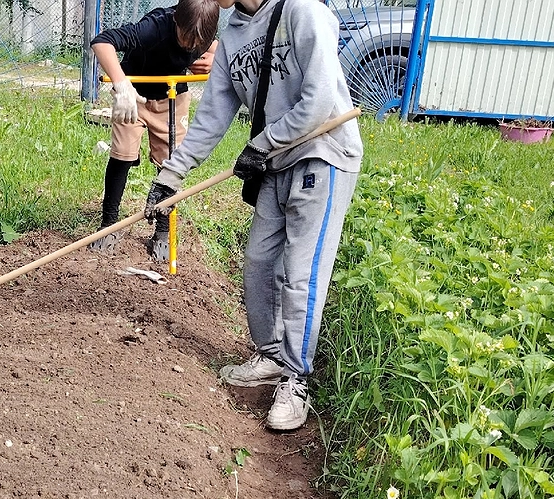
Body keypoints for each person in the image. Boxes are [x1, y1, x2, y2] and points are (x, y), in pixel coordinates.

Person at [143, 0, 363, 430]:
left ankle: (297, 379)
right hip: (275, 163)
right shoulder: (234, 35)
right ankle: (271, 356)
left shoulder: (304, 12)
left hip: (323, 153)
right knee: (260, 264)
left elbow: (318, 100)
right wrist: (170, 177)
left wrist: (264, 142)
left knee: (300, 272)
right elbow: (211, 118)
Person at [86, 0, 220, 257]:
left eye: (198, 42)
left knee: (170, 164)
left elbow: (220, 50)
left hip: (172, 98)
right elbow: (102, 41)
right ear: (175, 21)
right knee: (122, 155)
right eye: (185, 38)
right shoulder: (155, 27)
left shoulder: (203, 34)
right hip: (134, 96)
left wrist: (213, 60)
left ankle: (162, 230)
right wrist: (121, 84)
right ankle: (109, 224)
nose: (191, 46)